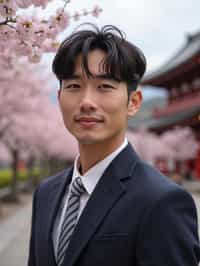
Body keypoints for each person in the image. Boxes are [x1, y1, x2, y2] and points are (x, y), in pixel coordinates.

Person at [28, 24, 200, 266]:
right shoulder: (46, 193)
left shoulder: (161, 201)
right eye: (74, 86)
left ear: (133, 102)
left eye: (104, 87)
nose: (87, 102)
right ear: (59, 98)